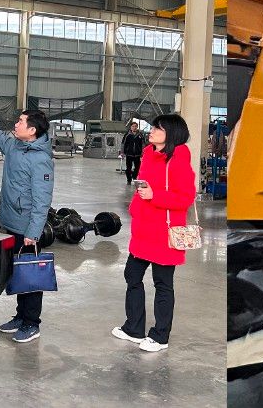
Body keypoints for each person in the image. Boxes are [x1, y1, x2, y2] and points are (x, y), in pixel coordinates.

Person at [0, 97, 54, 344]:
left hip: (27, 229)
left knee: (31, 276)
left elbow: (42, 201)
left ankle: (31, 323)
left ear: (32, 130)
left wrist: (33, 233)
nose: (16, 124)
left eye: (21, 121)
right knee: (18, 274)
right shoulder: (15, 146)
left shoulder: (41, 160)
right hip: (10, 224)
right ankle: (20, 316)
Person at [113, 114, 196, 352]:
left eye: (158, 128)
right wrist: (136, 207)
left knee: (163, 284)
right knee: (132, 275)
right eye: (153, 127)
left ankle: (160, 336)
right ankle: (134, 328)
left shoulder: (178, 158)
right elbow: (143, 186)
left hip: (164, 232)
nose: (152, 131)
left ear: (171, 134)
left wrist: (155, 196)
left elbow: (186, 198)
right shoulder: (149, 154)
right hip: (143, 229)